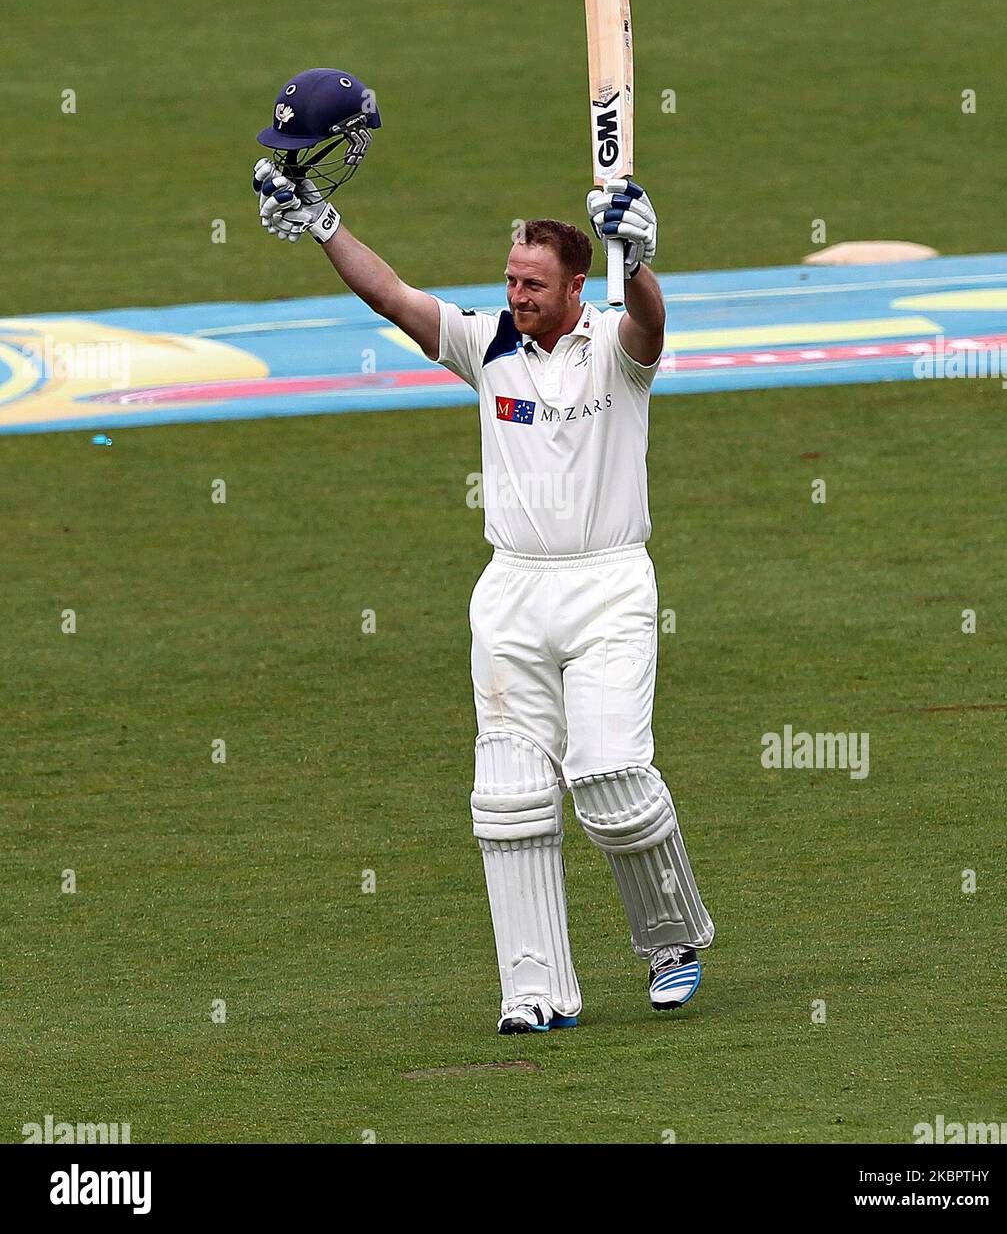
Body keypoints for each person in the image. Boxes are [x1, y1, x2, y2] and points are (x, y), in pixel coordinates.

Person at [254, 68, 714, 1035]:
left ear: (574, 286)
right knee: (506, 798)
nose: (516, 295)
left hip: (607, 588)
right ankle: (536, 993)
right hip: (510, 592)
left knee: (611, 776)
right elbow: (392, 297)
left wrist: (638, 255)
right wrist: (322, 222)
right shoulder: (484, 343)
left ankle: (670, 940)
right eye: (510, 279)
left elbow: (652, 323)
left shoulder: (614, 351)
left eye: (533, 284)